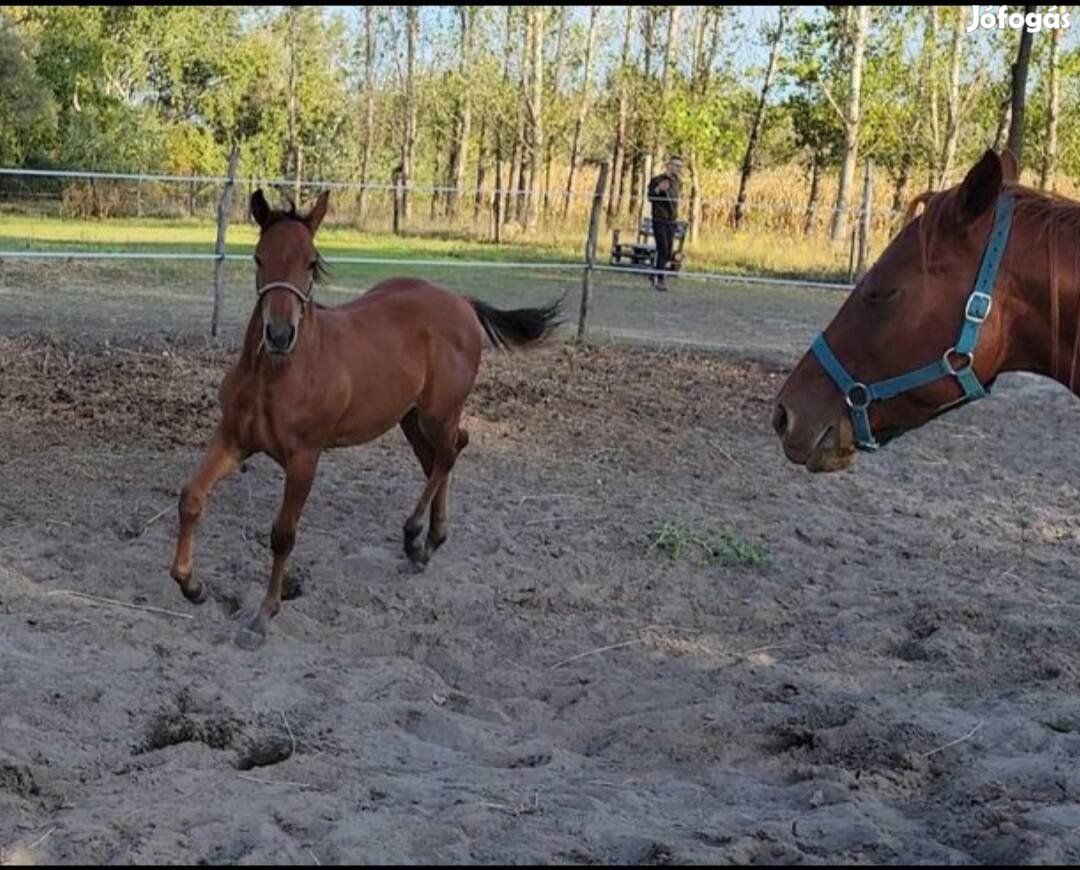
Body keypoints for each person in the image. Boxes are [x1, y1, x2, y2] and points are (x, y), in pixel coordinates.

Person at [646, 156, 684, 291]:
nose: (677, 169)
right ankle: (661, 280)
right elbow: (650, 196)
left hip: (671, 220)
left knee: (668, 251)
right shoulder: (656, 180)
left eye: (680, 166)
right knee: (662, 248)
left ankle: (654, 274)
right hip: (659, 219)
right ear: (668, 165)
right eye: (675, 165)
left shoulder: (678, 183)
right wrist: (658, 189)